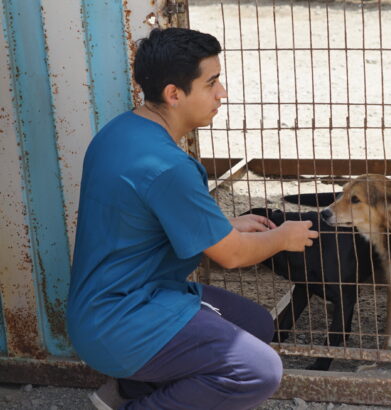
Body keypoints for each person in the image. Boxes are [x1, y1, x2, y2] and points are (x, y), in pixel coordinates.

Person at [67, 27, 318, 410]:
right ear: (174, 94)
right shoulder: (167, 167)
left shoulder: (121, 131)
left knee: (255, 325)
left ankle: (128, 389)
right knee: (257, 370)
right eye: (211, 83)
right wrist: (283, 237)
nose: (222, 93)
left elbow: (143, 223)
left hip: (109, 304)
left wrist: (223, 228)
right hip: (123, 319)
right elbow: (232, 257)